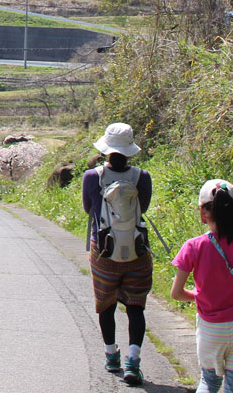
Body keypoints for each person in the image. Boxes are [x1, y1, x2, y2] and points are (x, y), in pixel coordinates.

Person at [170, 180, 233, 393]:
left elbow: (176, 293)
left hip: (210, 329)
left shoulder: (193, 246)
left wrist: (198, 296)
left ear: (203, 213)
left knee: (209, 383)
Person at [81, 122, 153, 386]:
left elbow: (89, 209)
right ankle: (133, 361)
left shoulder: (92, 177)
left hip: (104, 251)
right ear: (130, 149)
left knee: (106, 303)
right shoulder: (142, 176)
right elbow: (142, 207)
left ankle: (112, 355)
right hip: (136, 250)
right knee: (135, 305)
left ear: (106, 149)